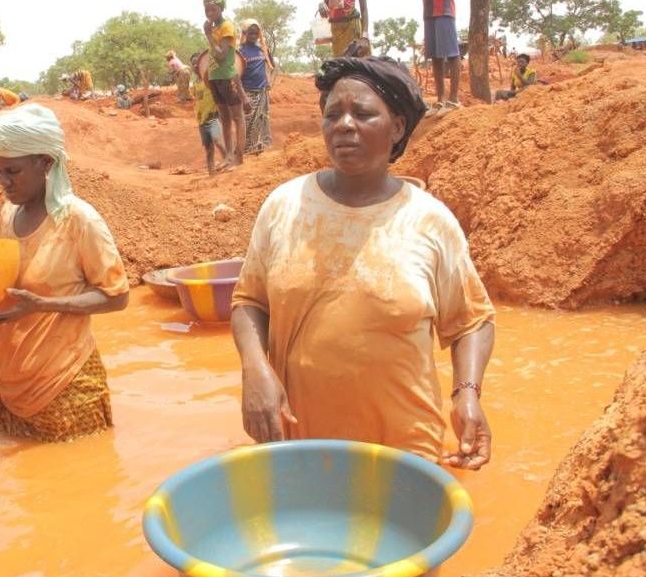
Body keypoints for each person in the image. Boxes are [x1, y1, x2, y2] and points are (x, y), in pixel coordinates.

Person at [231, 57, 495, 472]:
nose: (344, 125)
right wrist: (254, 370)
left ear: (397, 128)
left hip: (405, 450)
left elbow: (472, 321)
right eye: (332, 114)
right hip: (300, 441)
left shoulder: (430, 221)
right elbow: (249, 301)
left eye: (363, 113)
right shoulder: (284, 206)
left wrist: (467, 393)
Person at [0, 103, 130, 442]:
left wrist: (42, 304)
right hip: (12, 387)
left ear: (45, 162)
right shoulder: (7, 214)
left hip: (65, 386)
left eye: (12, 172)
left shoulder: (78, 220)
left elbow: (117, 297)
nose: (3, 182)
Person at [203, 0, 247, 169]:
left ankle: (239, 157)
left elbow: (221, 55)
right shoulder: (213, 27)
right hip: (215, 78)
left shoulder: (227, 26)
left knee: (237, 117)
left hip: (227, 77)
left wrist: (208, 35)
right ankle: (228, 157)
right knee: (225, 119)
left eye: (212, 9)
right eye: (206, 9)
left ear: (220, 8)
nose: (209, 13)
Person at [239, 19, 275, 155]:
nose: (254, 35)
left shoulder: (262, 49)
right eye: (250, 32)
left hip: (262, 91)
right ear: (244, 33)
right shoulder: (240, 52)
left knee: (262, 119)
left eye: (256, 32)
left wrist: (267, 52)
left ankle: (261, 148)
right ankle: (247, 150)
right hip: (248, 93)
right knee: (248, 122)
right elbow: (236, 76)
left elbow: (272, 66)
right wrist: (242, 97)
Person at [423, 0, 462, 116]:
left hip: (444, 10)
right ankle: (440, 100)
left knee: (452, 53)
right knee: (434, 55)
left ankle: (453, 99)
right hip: (428, 12)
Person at [191, 52, 228, 174]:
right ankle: (211, 173)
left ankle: (228, 164)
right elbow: (196, 100)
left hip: (214, 117)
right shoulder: (195, 83)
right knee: (208, 149)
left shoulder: (211, 79)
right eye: (193, 64)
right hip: (202, 120)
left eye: (197, 63)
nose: (196, 66)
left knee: (218, 141)